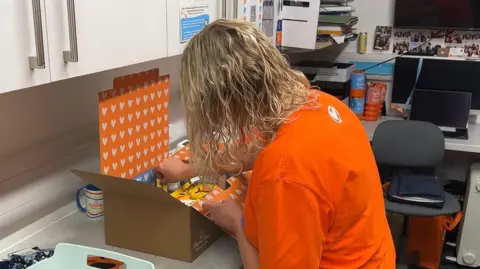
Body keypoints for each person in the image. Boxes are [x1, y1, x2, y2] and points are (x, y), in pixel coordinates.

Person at [156, 19, 395, 269]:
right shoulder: (320, 103)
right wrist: (189, 169)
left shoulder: (284, 172)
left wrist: (238, 224)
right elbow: (248, 151)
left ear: (225, 102)